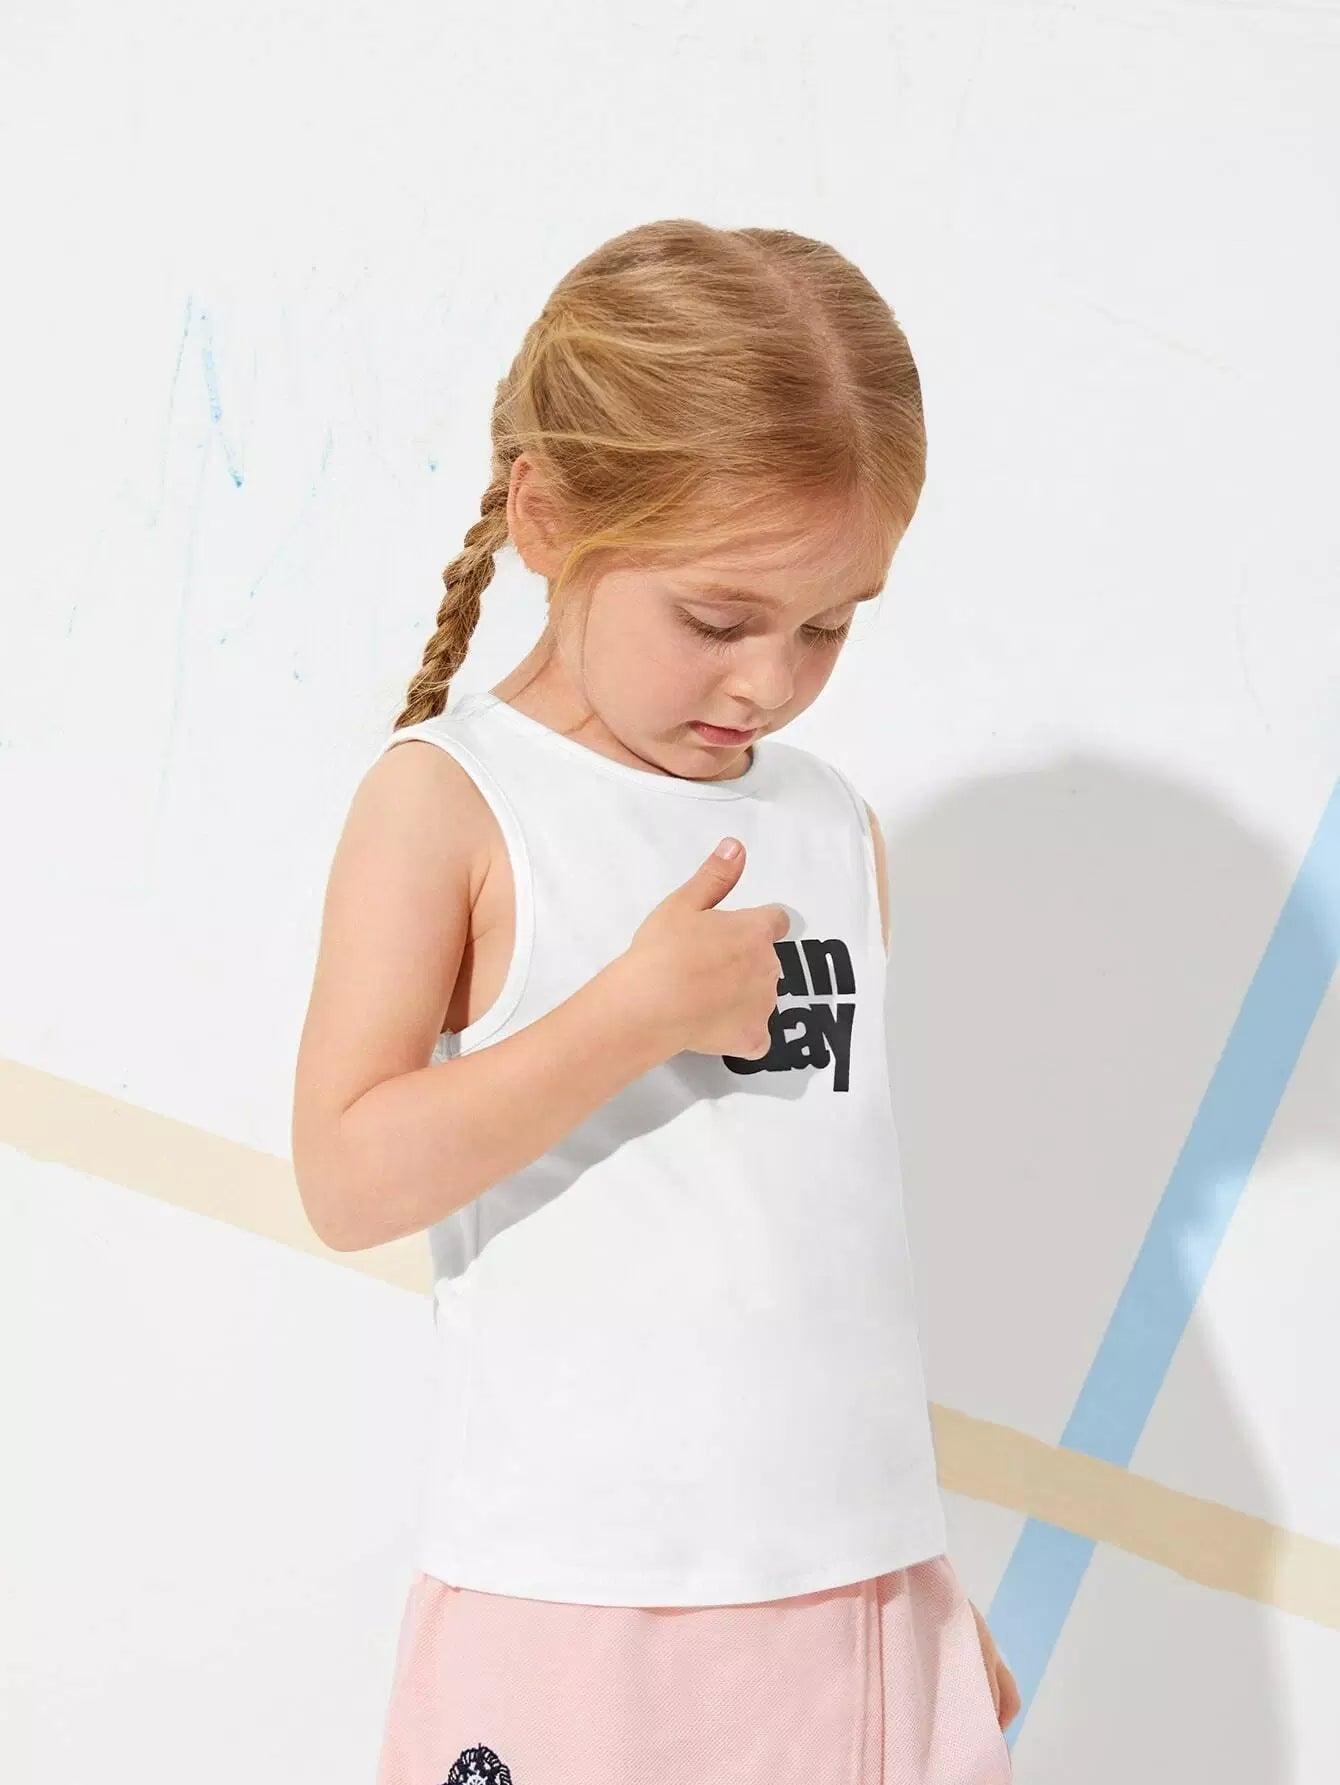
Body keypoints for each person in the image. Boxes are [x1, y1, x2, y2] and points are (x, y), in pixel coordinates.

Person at [291, 218, 1018, 1783]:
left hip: (854, 1608)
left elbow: (822, 1242)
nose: (771, 680)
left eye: (829, 623)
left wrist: (913, 1576)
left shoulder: (831, 824)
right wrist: (631, 1012)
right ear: (546, 517)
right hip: (581, 1605)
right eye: (719, 618)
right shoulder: (450, 803)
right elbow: (347, 1172)